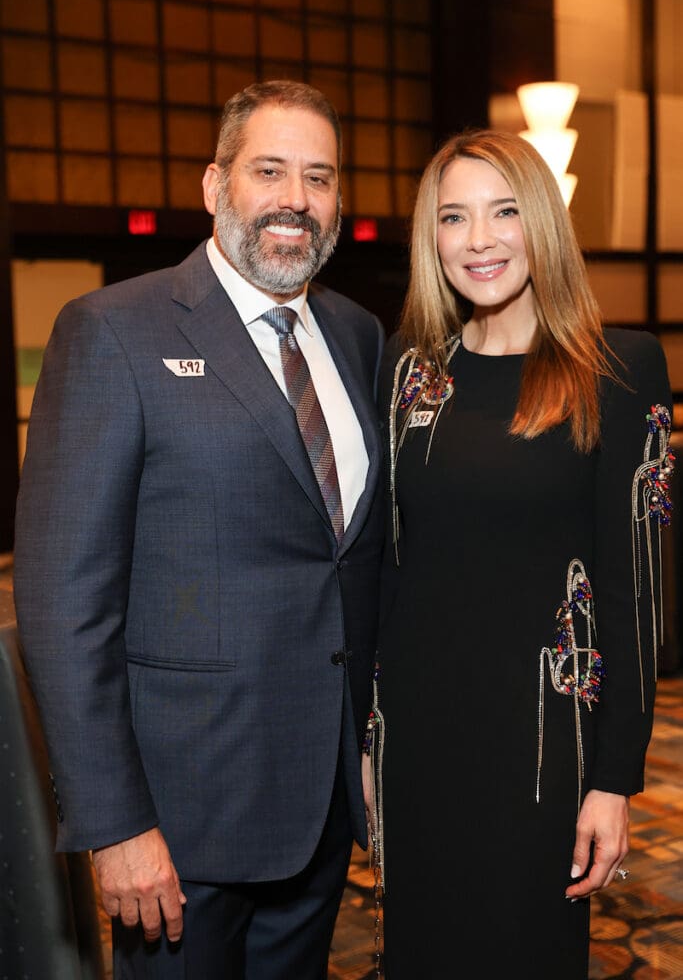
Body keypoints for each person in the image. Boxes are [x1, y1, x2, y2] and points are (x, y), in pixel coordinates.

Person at [13, 79, 386, 980]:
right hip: (179, 823)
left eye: (320, 177)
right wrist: (115, 823)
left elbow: (353, 565)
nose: (296, 198)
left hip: (320, 803)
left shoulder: (360, 335)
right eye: (269, 170)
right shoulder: (112, 330)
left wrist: (368, 748)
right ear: (216, 187)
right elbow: (64, 601)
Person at [365, 128, 674, 979]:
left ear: (540, 221)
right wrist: (364, 736)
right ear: (430, 237)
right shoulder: (407, 372)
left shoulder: (618, 368)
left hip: (543, 747)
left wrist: (616, 779)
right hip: (418, 742)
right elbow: (384, 569)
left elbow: (635, 596)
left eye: (503, 212)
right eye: (452, 217)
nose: (478, 239)